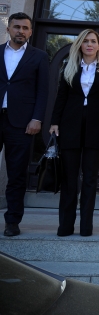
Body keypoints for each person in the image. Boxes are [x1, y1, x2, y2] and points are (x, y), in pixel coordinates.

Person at [49, 29, 99, 237]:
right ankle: (65, 226)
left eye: (93, 41)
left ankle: (86, 227)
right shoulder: (68, 68)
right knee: (70, 179)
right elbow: (60, 98)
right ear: (80, 45)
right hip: (70, 126)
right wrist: (54, 122)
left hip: (96, 127)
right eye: (86, 41)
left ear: (98, 46)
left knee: (89, 179)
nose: (89, 44)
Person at [0, 13, 48, 237]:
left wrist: (37, 118)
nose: (21, 31)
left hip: (21, 123)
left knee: (17, 174)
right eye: (16, 26)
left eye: (25, 28)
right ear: (8, 28)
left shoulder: (38, 56)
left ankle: (12, 221)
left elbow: (43, 91)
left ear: (30, 32)